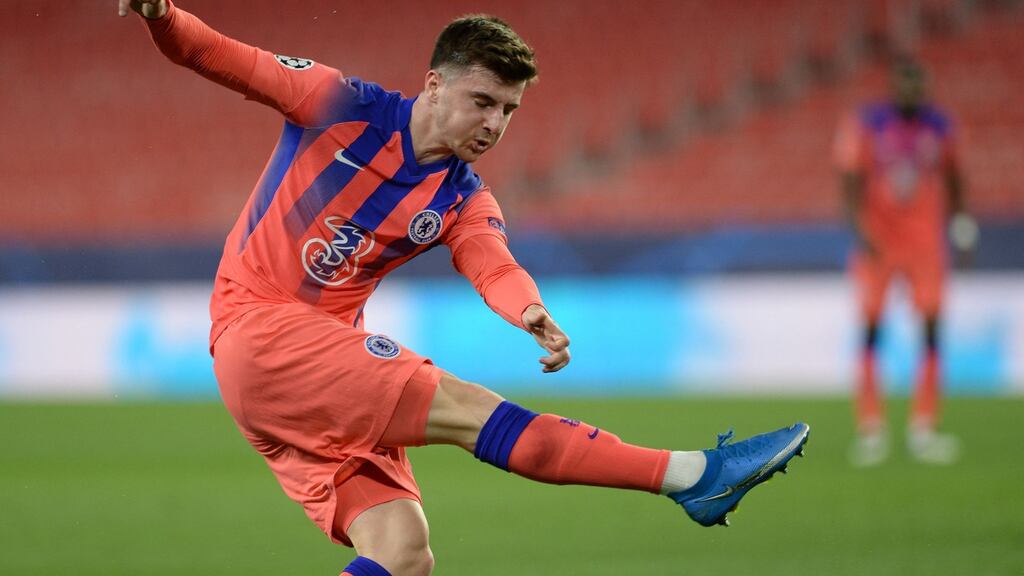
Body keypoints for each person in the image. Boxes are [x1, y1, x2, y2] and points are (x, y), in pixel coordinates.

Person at [119, 1, 809, 574]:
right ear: (434, 85)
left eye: (508, 110)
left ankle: (693, 478)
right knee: (472, 409)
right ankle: (692, 475)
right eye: (482, 101)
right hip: (260, 332)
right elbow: (215, 53)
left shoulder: (460, 197)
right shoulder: (337, 103)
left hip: (305, 368)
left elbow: (492, 261)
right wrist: (159, 13)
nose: (494, 125)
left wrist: (529, 311)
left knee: (402, 553)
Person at [835, 56, 977, 467]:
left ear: (924, 87)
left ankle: (923, 428)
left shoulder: (941, 127)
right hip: (879, 244)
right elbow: (848, 179)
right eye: (904, 84)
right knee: (871, 331)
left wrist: (962, 223)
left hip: (924, 245)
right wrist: (859, 230)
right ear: (894, 86)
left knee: (931, 330)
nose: (910, 92)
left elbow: (956, 177)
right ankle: (871, 428)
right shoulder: (868, 123)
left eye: (917, 85)